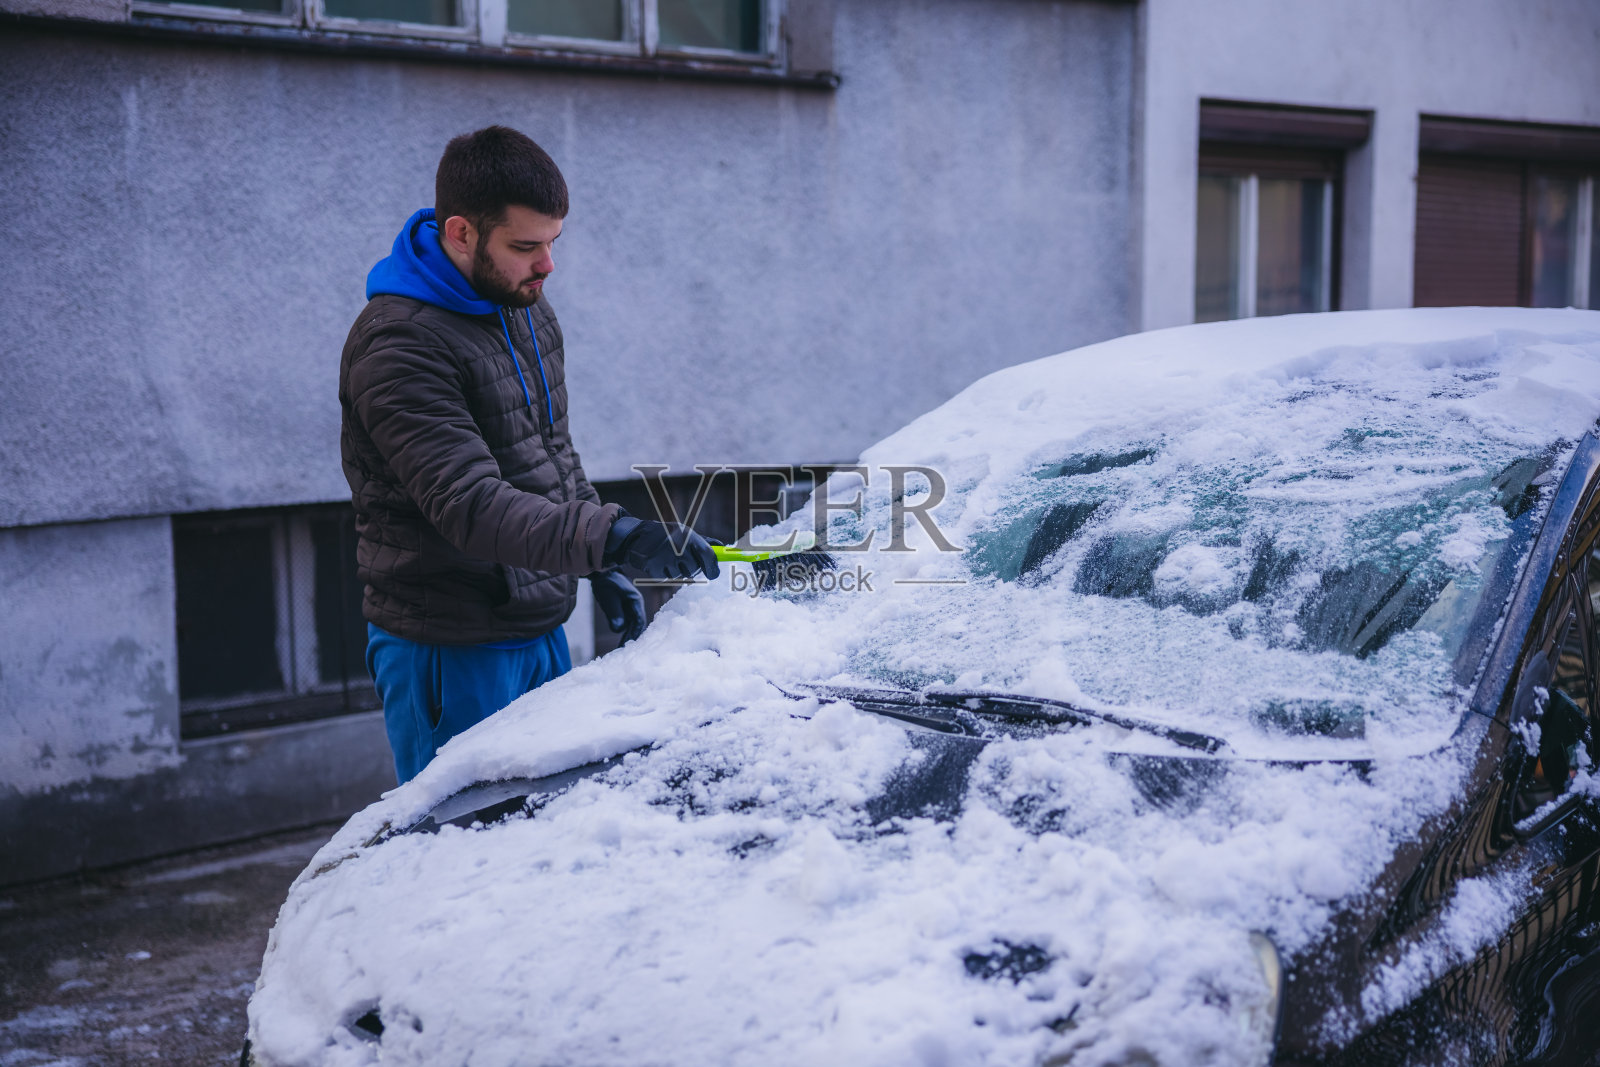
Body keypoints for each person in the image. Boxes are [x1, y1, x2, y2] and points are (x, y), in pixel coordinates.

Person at [340, 126, 719, 784]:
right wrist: (615, 538)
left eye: (552, 243)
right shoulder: (400, 345)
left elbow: (549, 452)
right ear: (461, 233)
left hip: (539, 624)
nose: (547, 266)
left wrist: (595, 562)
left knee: (546, 834)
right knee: (471, 855)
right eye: (526, 246)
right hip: (452, 645)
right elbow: (471, 505)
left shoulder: (520, 305)